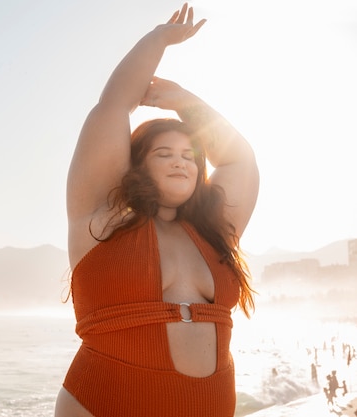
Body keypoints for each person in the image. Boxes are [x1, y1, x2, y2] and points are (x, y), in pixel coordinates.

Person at [55, 4, 259, 417]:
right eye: (164, 153)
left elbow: (240, 161)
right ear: (136, 165)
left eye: (190, 155)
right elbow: (111, 108)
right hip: (105, 402)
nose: (180, 161)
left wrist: (186, 101)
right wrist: (158, 39)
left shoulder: (217, 230)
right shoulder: (103, 215)